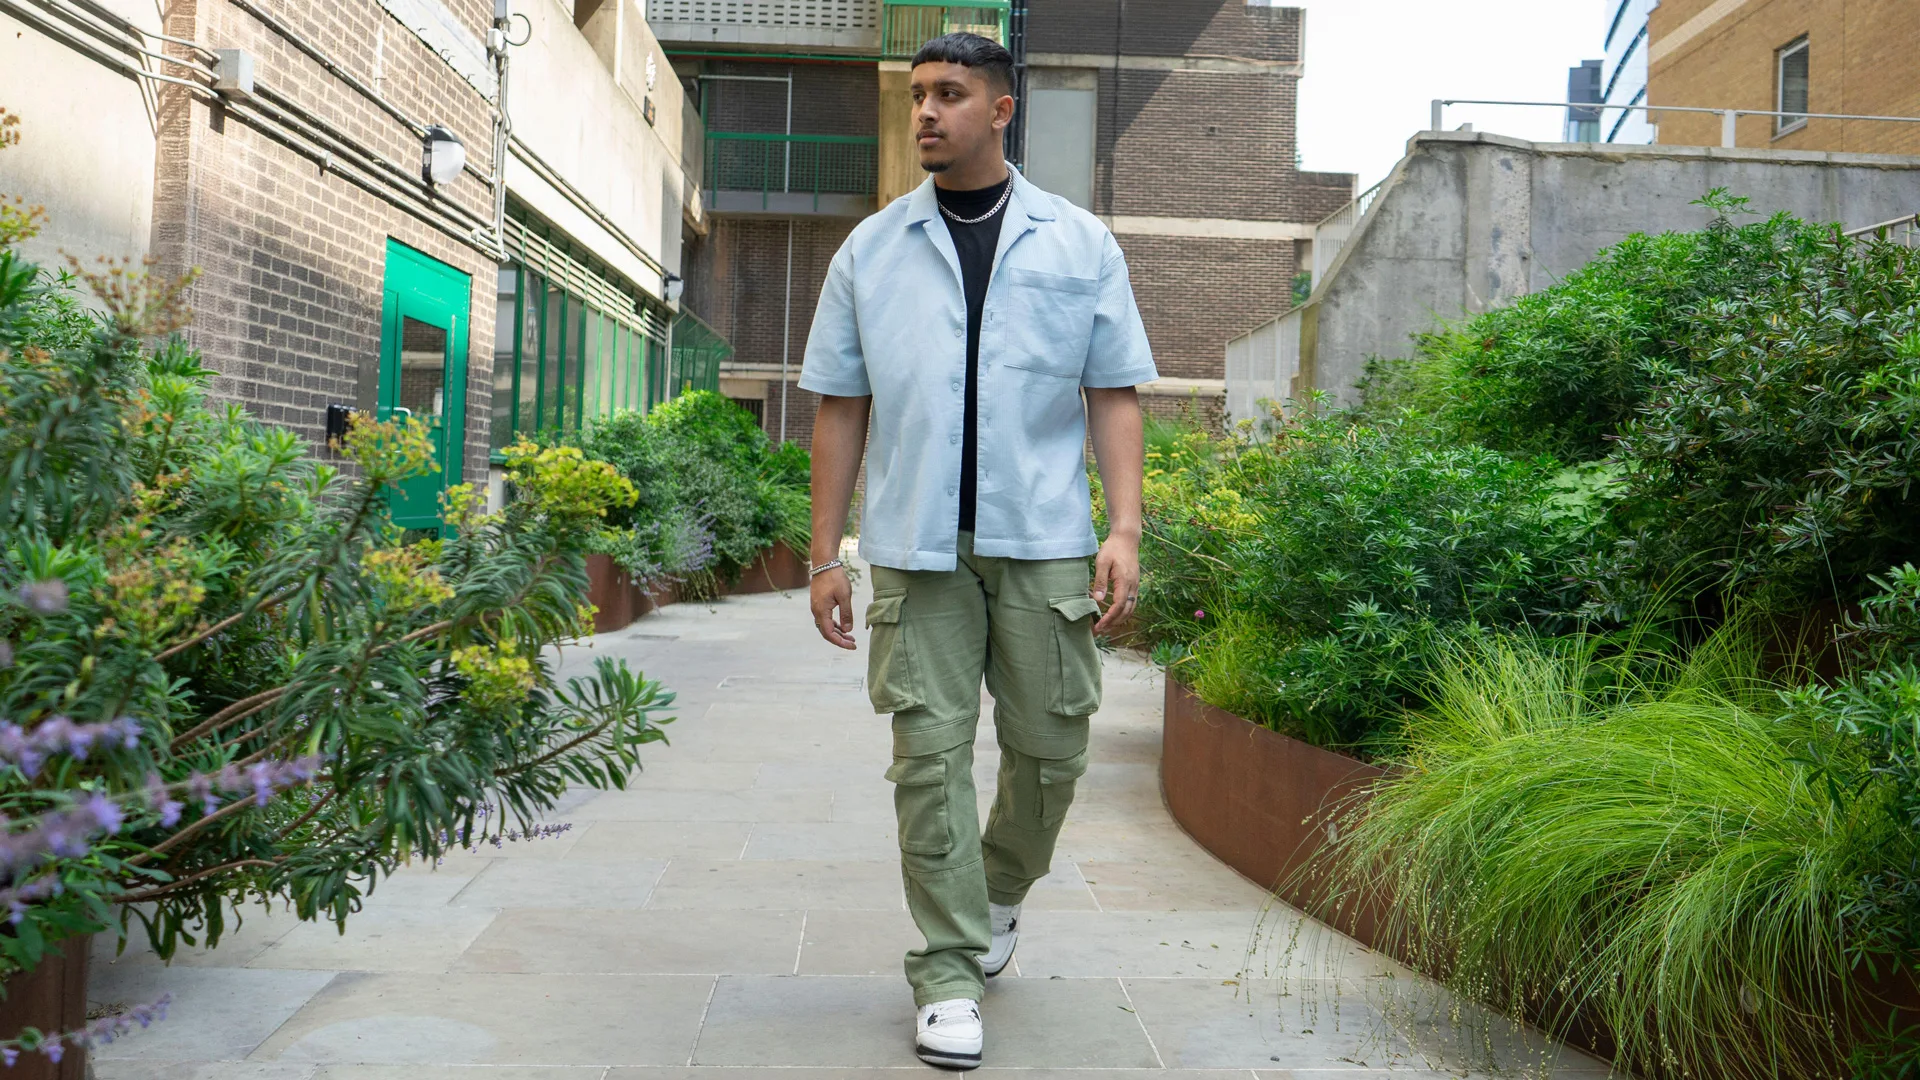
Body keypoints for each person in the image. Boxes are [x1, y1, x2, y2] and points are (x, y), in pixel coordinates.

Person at [799, 31, 1157, 1071]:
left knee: (1053, 747)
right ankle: (950, 967)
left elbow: (1113, 391)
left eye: (949, 94)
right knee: (928, 760)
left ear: (1001, 110)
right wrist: (828, 555)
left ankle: (998, 889)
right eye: (917, 94)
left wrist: (1124, 527)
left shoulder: (1080, 242)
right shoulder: (870, 249)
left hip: (1044, 538)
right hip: (916, 547)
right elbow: (838, 406)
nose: (925, 112)